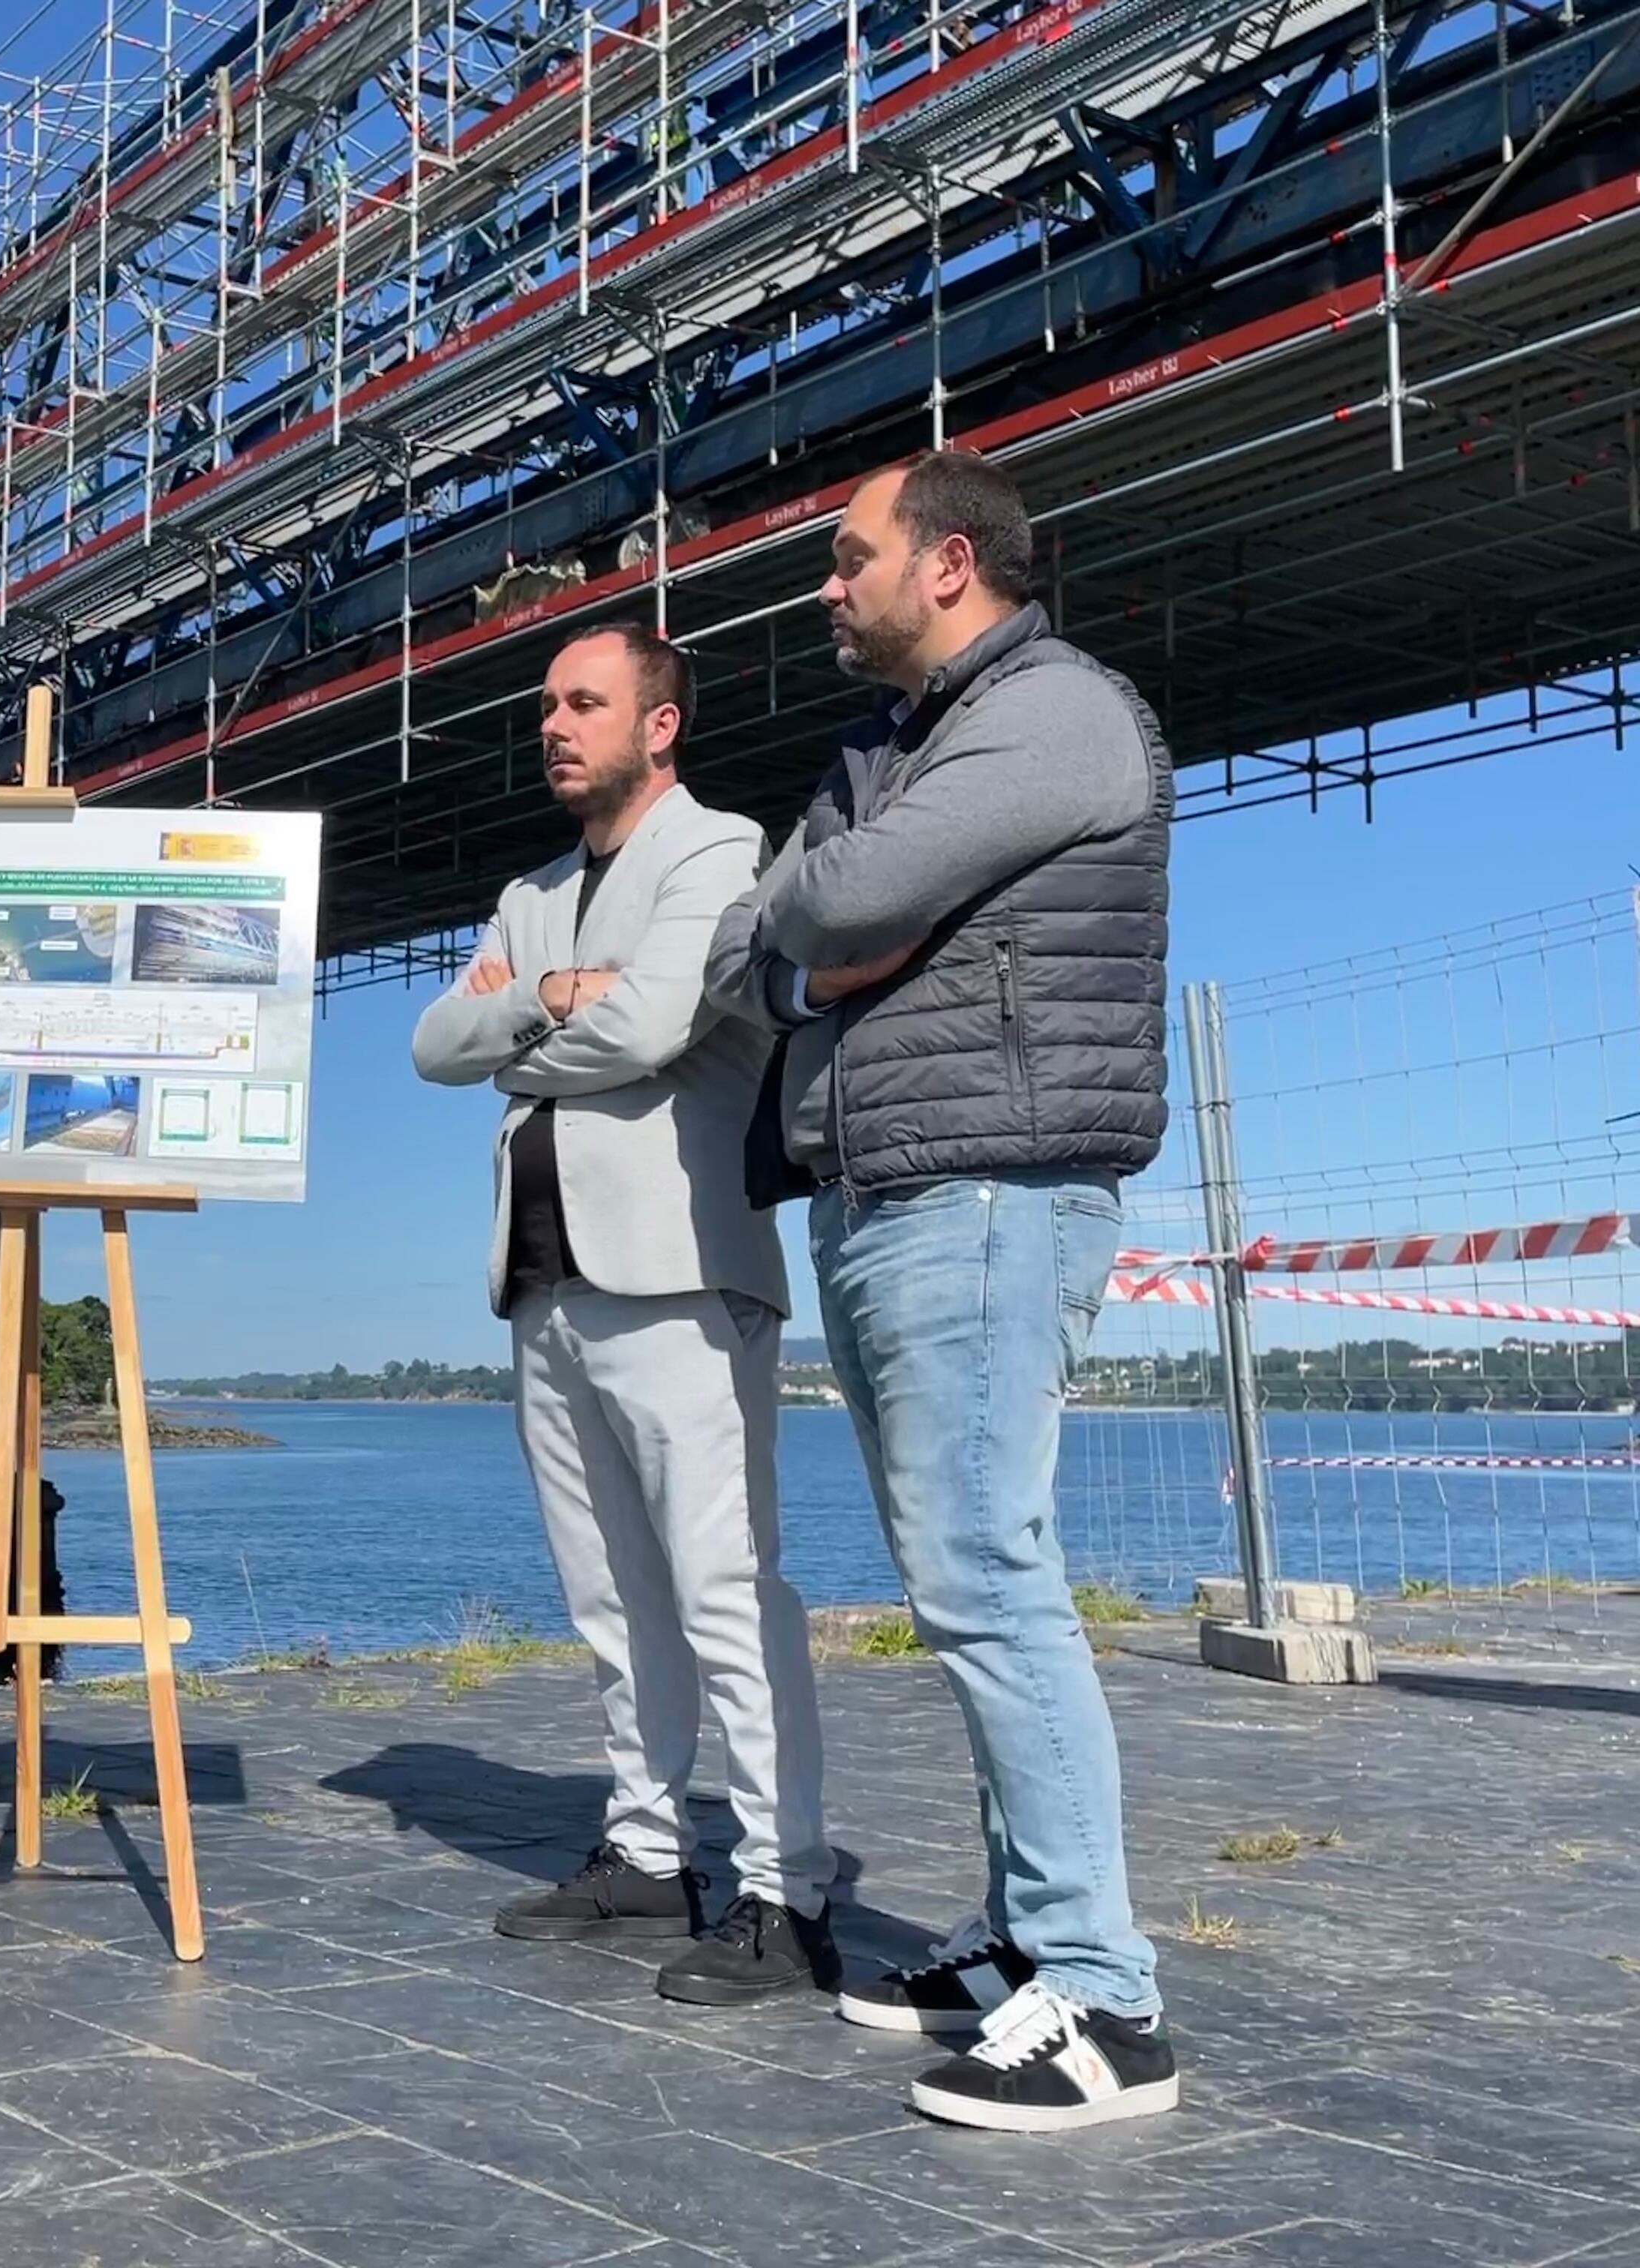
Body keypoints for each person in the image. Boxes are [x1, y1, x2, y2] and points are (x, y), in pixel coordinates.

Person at [706, 448, 1180, 2132]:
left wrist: (831, 913)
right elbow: (769, 946)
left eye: (848, 559)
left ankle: (1105, 2001)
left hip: (985, 1191)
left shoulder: (1051, 714)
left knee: (988, 1577)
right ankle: (1015, 1950)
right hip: (901, 1188)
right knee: (965, 1576)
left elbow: (830, 896)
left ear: (953, 563)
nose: (824, 587)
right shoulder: (898, 749)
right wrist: (824, 920)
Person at [413, 619, 837, 2007]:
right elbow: (433, 1044)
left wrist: (520, 1050)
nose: (553, 724)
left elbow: (656, 1022)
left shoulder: (719, 849)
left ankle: (786, 1889)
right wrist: (544, 997)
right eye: (547, 706)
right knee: (610, 1596)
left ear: (661, 724)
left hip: (676, 1272)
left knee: (723, 1584)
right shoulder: (532, 895)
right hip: (543, 1279)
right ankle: (650, 1853)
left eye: (583, 703)